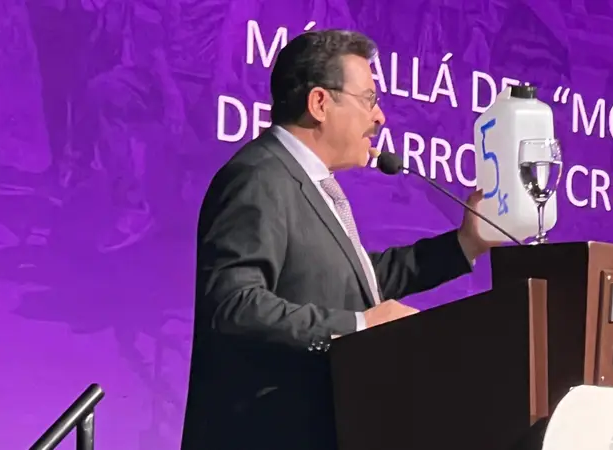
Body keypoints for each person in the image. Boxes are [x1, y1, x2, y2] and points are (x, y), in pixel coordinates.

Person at [181, 29, 496, 450]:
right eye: (369, 99)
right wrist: (359, 326)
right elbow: (235, 304)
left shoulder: (306, 183)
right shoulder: (260, 176)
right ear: (319, 103)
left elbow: (357, 282)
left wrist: (466, 243)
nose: (380, 117)